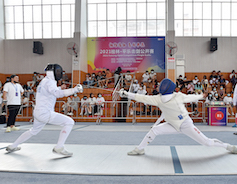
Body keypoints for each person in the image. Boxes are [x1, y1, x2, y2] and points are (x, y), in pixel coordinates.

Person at [119, 78, 237, 155]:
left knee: (207, 142)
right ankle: (140, 149)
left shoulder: (160, 98)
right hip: (172, 124)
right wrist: (201, 95)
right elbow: (191, 98)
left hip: (185, 124)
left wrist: (126, 93)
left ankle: (229, 147)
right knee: (154, 130)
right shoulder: (171, 96)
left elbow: (141, 98)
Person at [5, 64, 83, 156]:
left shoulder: (44, 80)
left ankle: (13, 146)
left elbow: (50, 92)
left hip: (38, 112)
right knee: (69, 122)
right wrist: (74, 90)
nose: (59, 74)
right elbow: (57, 94)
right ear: (53, 72)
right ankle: (59, 147)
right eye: (57, 72)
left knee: (33, 131)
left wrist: (59, 88)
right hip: (45, 113)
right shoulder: (50, 82)